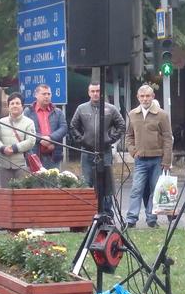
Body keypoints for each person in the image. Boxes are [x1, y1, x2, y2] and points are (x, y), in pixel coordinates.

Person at [70, 80, 126, 213]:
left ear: (101, 93)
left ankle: (107, 213)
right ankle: (88, 212)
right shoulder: (81, 108)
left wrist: (110, 139)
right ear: (89, 93)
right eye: (93, 91)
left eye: (98, 91)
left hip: (105, 151)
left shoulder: (111, 109)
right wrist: (82, 140)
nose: (95, 93)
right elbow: (73, 126)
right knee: (87, 182)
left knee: (106, 184)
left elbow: (122, 125)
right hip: (87, 151)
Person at [125, 84, 173, 228]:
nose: (145, 99)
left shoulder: (162, 115)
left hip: (157, 159)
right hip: (140, 159)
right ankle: (131, 219)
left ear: (153, 97)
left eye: (148, 96)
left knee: (155, 191)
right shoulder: (132, 114)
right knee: (136, 189)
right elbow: (129, 135)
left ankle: (151, 219)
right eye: (142, 96)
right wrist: (133, 151)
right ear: (138, 97)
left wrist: (167, 160)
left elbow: (167, 138)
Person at [0, 92, 36, 187]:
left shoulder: (29, 123)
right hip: (4, 164)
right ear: (8, 106)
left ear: (22, 106)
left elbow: (31, 141)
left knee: (22, 193)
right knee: (5, 193)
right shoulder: (0, 122)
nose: (15, 106)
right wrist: (3, 148)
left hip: (22, 165)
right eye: (12, 103)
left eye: (17, 103)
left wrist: (14, 148)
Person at [24, 84, 67, 170]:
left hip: (54, 155)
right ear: (36, 95)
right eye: (44, 94)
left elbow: (64, 128)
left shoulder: (58, 112)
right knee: (36, 179)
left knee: (54, 178)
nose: (47, 96)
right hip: (35, 155)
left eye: (49, 94)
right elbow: (25, 130)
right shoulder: (28, 112)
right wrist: (41, 139)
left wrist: (50, 138)